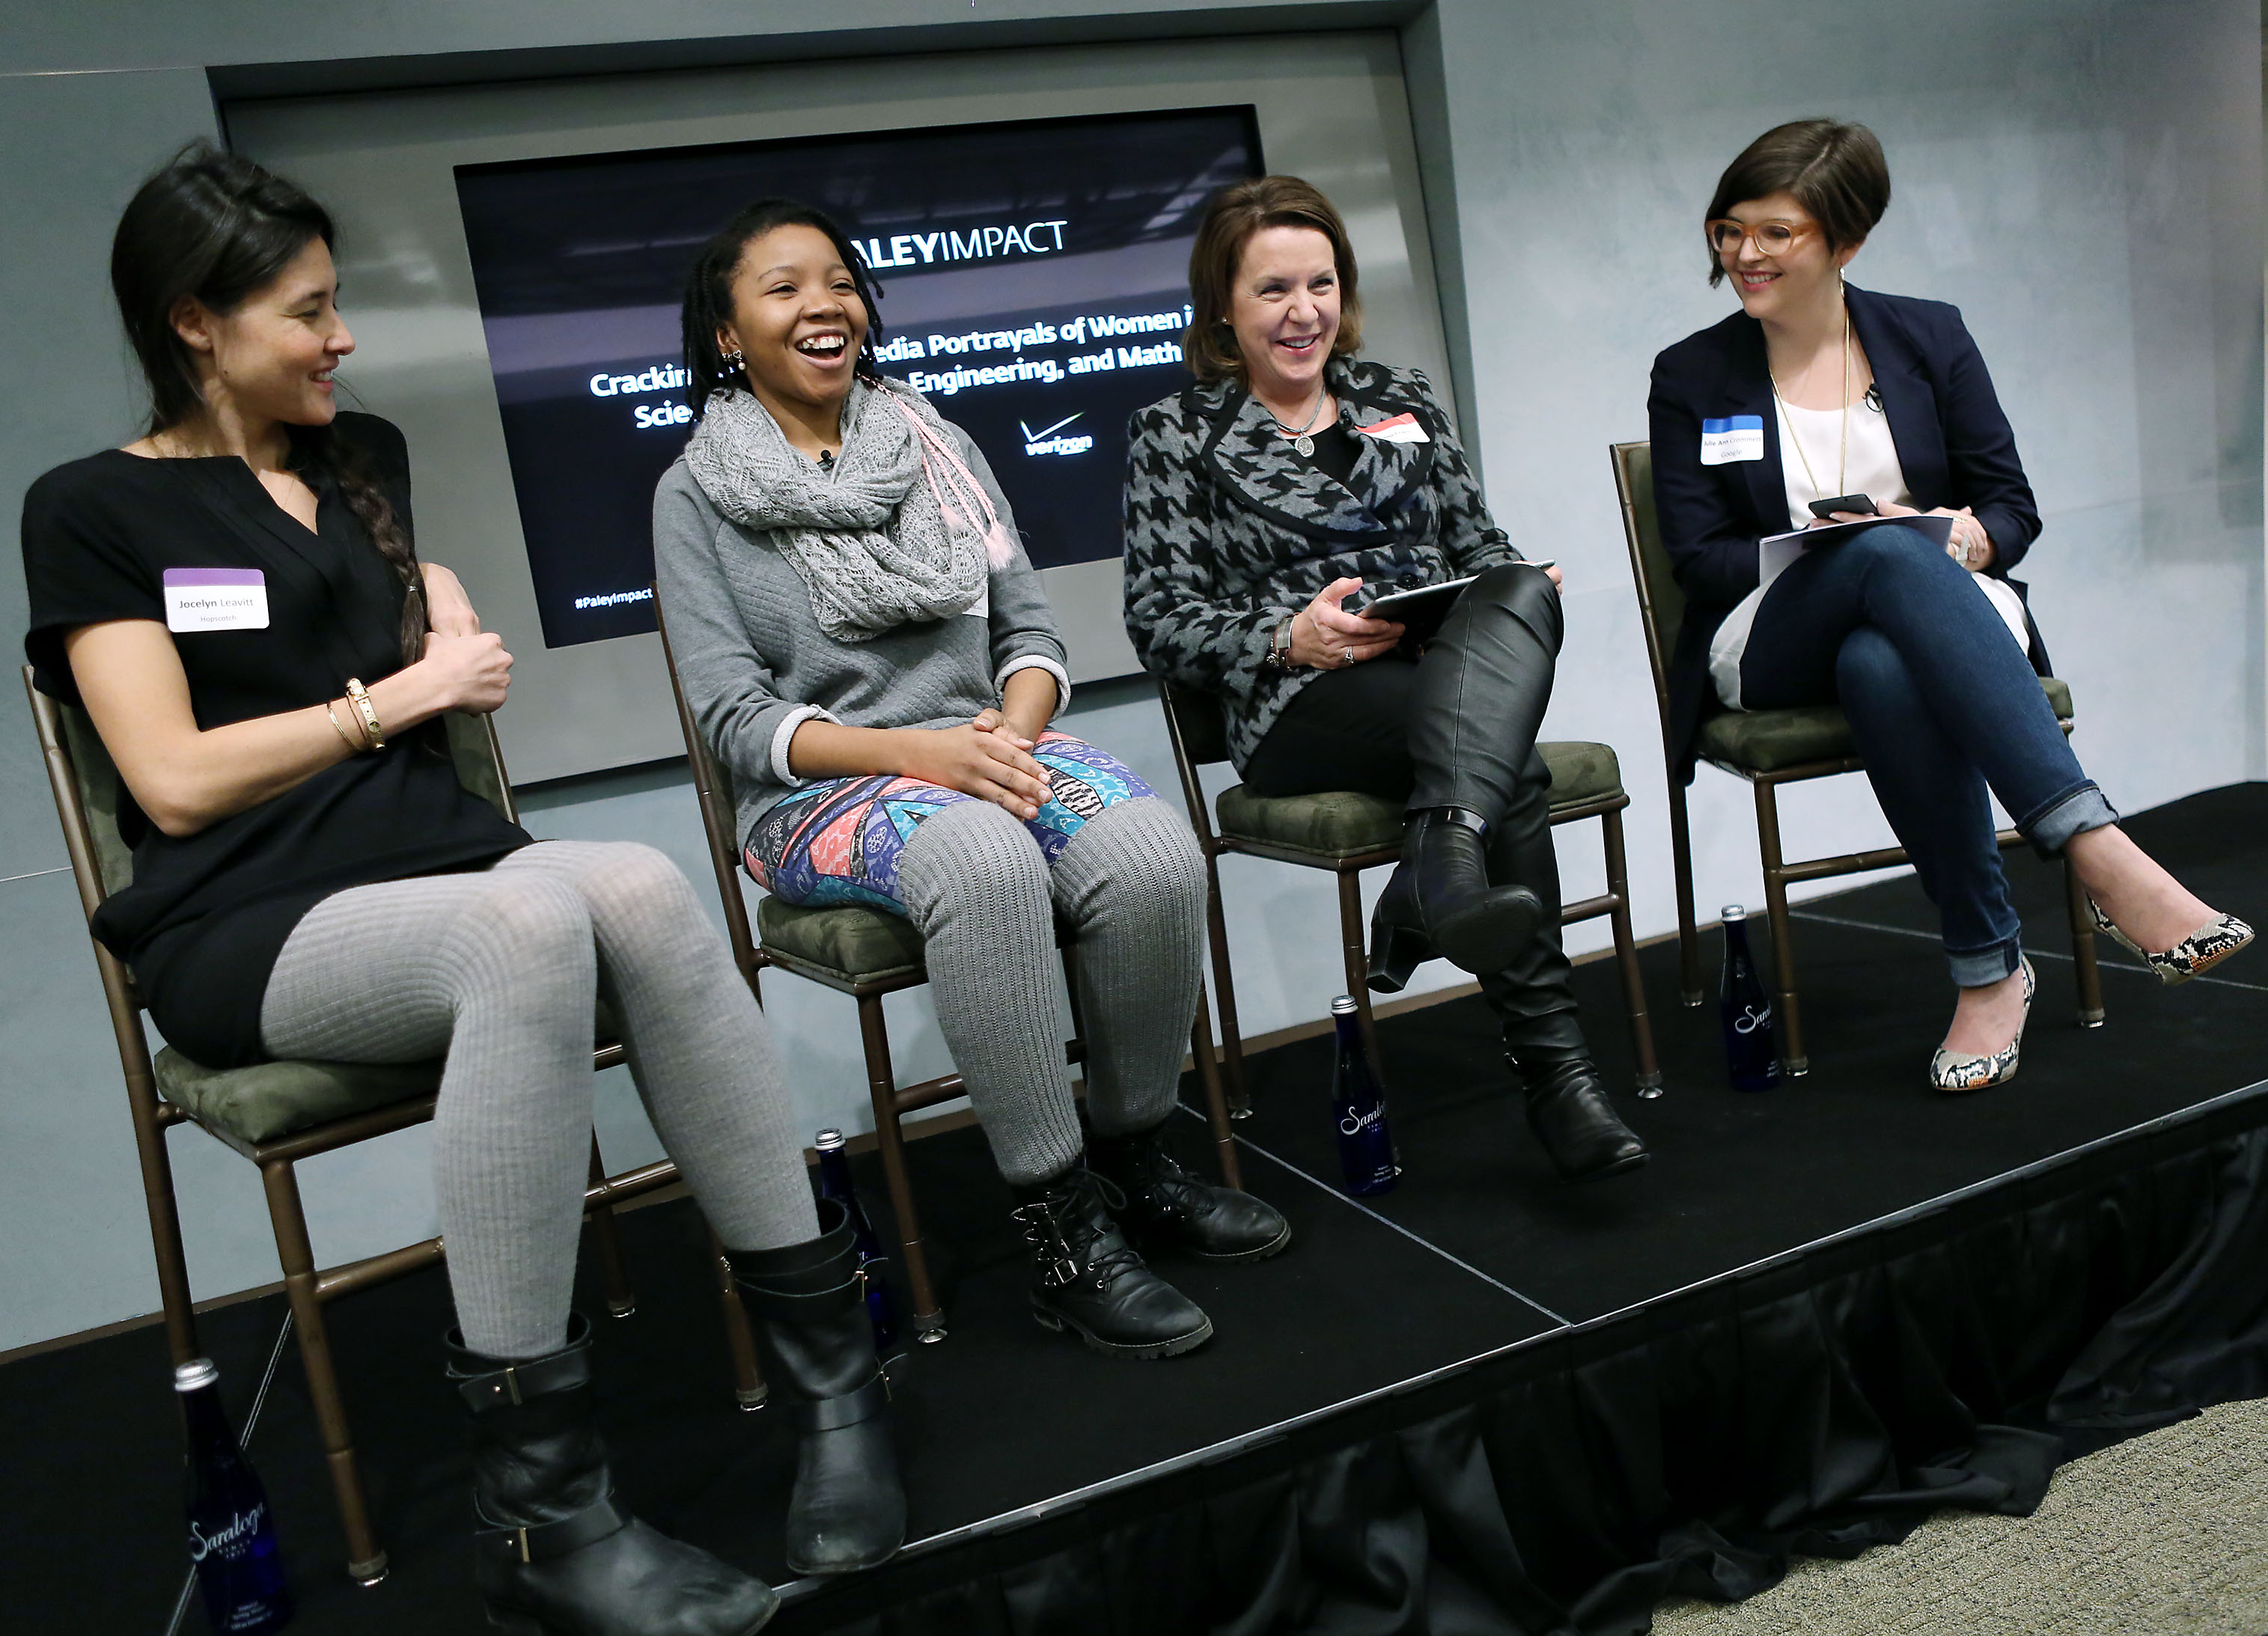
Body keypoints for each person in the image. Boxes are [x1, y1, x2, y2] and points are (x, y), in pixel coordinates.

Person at [22, 145, 904, 1636]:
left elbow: (393, 634)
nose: (341, 336)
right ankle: (545, 1517)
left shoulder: (358, 460)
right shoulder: (90, 508)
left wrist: (428, 628)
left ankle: (838, 1395)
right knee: (531, 915)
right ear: (195, 322)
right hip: (247, 917)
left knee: (631, 881)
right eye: (307, 311)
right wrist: (396, 694)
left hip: (430, 854)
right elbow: (166, 780)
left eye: (338, 304)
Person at [653, 198, 1290, 1364]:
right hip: (821, 790)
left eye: (840, 280)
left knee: (1150, 856)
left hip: (988, 743)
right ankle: (1059, 1234)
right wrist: (924, 756)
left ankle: (1134, 1159)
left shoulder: (937, 445)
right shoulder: (694, 494)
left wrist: (1009, 734)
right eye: (784, 288)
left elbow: (1032, 635)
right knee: (983, 858)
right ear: (728, 333)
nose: (824, 305)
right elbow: (736, 719)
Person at [1647, 118, 2251, 1091]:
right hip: (1770, 631)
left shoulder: (1928, 335)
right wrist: (1845, 546)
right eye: (1728, 229)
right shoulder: (1692, 374)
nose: (1742, 254)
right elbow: (1701, 560)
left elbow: (2011, 506)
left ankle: (1986, 970)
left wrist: (1962, 536)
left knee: (1881, 659)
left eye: (1774, 233)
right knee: (1883, 550)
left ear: (1845, 242)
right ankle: (2098, 852)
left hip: (1941, 605)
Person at [1122, 175, 1648, 1184]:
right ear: (1222, 306)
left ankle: (1434, 870)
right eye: (1273, 288)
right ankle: (1555, 1073)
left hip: (1436, 670)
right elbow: (1157, 619)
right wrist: (1289, 635)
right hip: (1300, 700)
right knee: (1512, 776)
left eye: (1320, 283)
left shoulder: (1396, 397)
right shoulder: (1174, 433)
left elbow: (1480, 542)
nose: (1302, 311)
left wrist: (1506, 581)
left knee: (1522, 593)